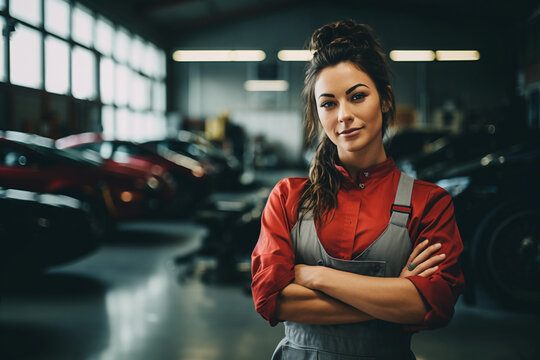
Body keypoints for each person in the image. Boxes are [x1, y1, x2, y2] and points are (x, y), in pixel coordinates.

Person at [251, 20, 465, 360]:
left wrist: (317, 276)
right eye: (328, 103)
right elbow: (271, 299)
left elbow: (434, 305)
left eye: (357, 96)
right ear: (317, 113)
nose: (344, 115)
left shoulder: (430, 203)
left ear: (384, 99)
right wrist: (395, 298)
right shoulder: (288, 198)